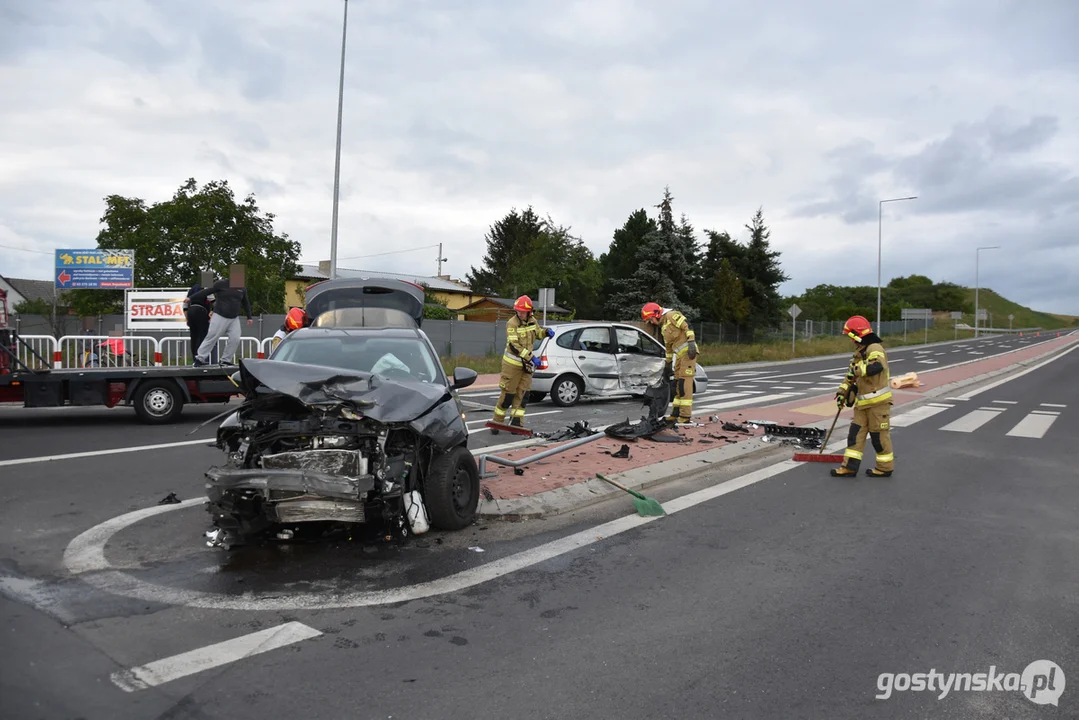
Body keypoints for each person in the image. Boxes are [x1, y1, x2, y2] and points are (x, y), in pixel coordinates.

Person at [831, 315, 894, 478]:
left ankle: (885, 468)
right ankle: (849, 467)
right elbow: (849, 377)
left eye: (851, 336)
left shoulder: (875, 348)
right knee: (855, 436)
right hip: (862, 405)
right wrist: (842, 393)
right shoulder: (859, 352)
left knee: (879, 438)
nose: (851, 340)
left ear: (857, 334)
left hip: (878, 405)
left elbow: (877, 366)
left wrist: (858, 370)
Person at [492, 295, 554, 428]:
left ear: (529, 311)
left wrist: (546, 332)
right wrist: (532, 358)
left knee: (523, 394)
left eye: (522, 311)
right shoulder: (511, 323)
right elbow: (514, 346)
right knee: (508, 394)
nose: (520, 313)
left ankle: (516, 423)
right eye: (518, 310)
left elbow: (538, 333)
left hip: (526, 366)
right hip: (512, 365)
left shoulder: (532, 321)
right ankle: (497, 421)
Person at [641, 301, 698, 423]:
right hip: (679, 357)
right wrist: (667, 363)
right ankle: (675, 414)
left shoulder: (671, 315)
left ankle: (685, 416)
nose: (651, 322)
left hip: (689, 353)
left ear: (656, 314)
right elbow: (668, 348)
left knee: (684, 384)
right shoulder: (664, 327)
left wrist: (691, 341)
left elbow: (687, 325)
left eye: (651, 319)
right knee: (677, 385)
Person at [189, 276, 253, 366]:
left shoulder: (242, 288)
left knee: (235, 338)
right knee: (212, 336)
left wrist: (249, 317)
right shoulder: (221, 284)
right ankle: (200, 358)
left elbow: (246, 302)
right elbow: (206, 292)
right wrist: (191, 298)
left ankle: (225, 360)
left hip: (234, 318)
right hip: (220, 315)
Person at [183, 281, 214, 363]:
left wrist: (187, 319)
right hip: (201, 311)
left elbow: (185, 305)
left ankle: (194, 358)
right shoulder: (207, 288)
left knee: (193, 337)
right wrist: (212, 312)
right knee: (202, 336)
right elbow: (213, 301)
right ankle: (200, 358)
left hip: (191, 312)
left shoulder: (192, 289)